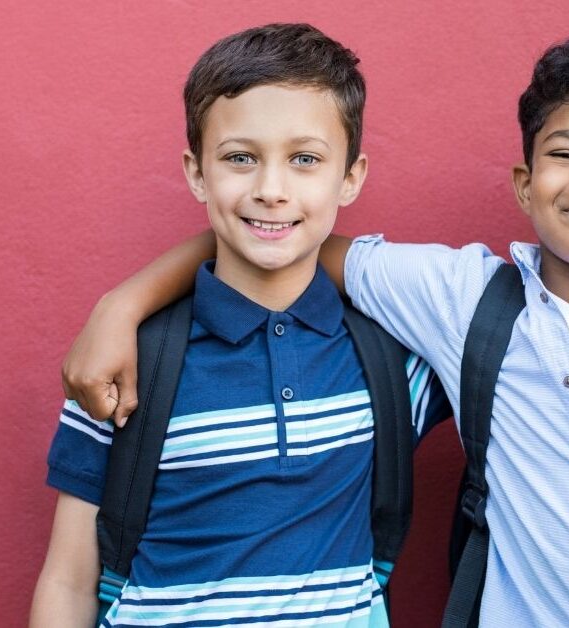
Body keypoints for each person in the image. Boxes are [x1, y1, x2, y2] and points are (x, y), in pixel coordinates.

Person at [56, 26, 569, 627]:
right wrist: (122, 303)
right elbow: (283, 236)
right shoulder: (460, 306)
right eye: (566, 154)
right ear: (525, 182)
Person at [30, 24, 452, 627]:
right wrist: (119, 311)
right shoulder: (126, 366)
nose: (271, 190)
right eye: (240, 158)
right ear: (197, 172)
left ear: (351, 177)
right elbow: (68, 579)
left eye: (304, 159)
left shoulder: (393, 362)